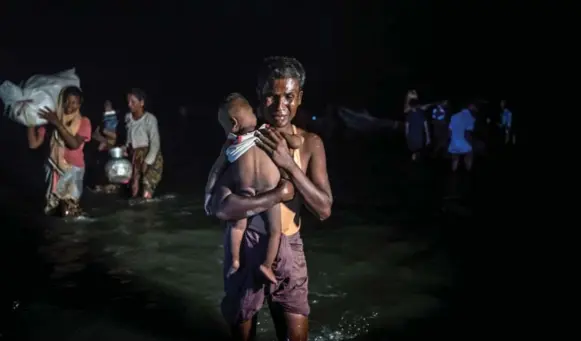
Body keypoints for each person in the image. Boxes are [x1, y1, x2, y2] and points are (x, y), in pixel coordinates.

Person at [210, 56, 333, 341]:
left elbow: (324, 209)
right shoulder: (241, 142)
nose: (280, 107)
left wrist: (288, 164)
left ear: (299, 97)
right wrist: (274, 196)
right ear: (259, 96)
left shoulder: (310, 144)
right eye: (271, 96)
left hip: (289, 245)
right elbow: (220, 207)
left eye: (289, 97)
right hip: (246, 246)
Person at [205, 93, 302, 285]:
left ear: (233, 124)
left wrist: (208, 195)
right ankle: (267, 264)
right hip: (270, 189)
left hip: (245, 189)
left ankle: (234, 260)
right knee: (275, 231)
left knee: (237, 226)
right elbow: (296, 142)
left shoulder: (232, 143)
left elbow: (215, 171)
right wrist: (295, 140)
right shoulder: (267, 131)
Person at [26, 86, 92, 216]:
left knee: (69, 210)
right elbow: (34, 144)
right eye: (66, 101)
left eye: (74, 102)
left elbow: (73, 144)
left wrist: (57, 123)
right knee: (53, 210)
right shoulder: (51, 120)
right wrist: (30, 120)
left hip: (73, 170)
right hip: (53, 168)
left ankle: (76, 234)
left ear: (79, 104)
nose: (69, 105)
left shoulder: (83, 122)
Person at [123, 88, 163, 199]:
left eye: (133, 102)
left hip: (151, 155)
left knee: (147, 185)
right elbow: (129, 141)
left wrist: (147, 161)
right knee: (134, 189)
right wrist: (124, 149)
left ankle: (148, 211)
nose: (129, 105)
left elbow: (155, 144)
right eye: (128, 102)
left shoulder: (150, 119)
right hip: (136, 156)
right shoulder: (128, 118)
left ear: (142, 103)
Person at [448, 102, 477, 172]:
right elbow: (470, 129)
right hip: (465, 140)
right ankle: (468, 171)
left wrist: (451, 139)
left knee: (455, 159)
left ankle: (453, 173)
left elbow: (450, 129)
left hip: (454, 140)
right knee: (469, 155)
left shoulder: (454, 116)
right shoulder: (470, 117)